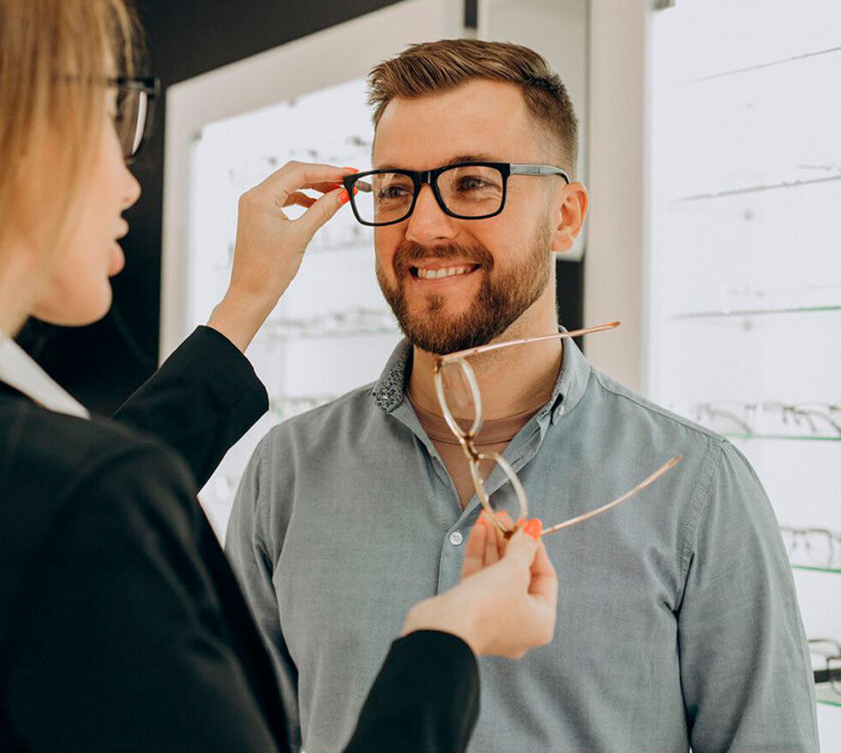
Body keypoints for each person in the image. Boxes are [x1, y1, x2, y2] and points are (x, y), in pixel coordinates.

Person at [0, 4, 560, 752]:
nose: (129, 180)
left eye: (471, 183)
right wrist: (447, 639)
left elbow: (54, 515)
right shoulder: (106, 494)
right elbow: (77, 513)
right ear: (9, 135)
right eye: (114, 113)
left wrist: (244, 302)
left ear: (566, 215)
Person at [226, 38, 819, 753]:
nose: (423, 227)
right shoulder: (287, 473)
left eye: (473, 182)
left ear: (566, 216)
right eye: (395, 189)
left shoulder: (696, 489)